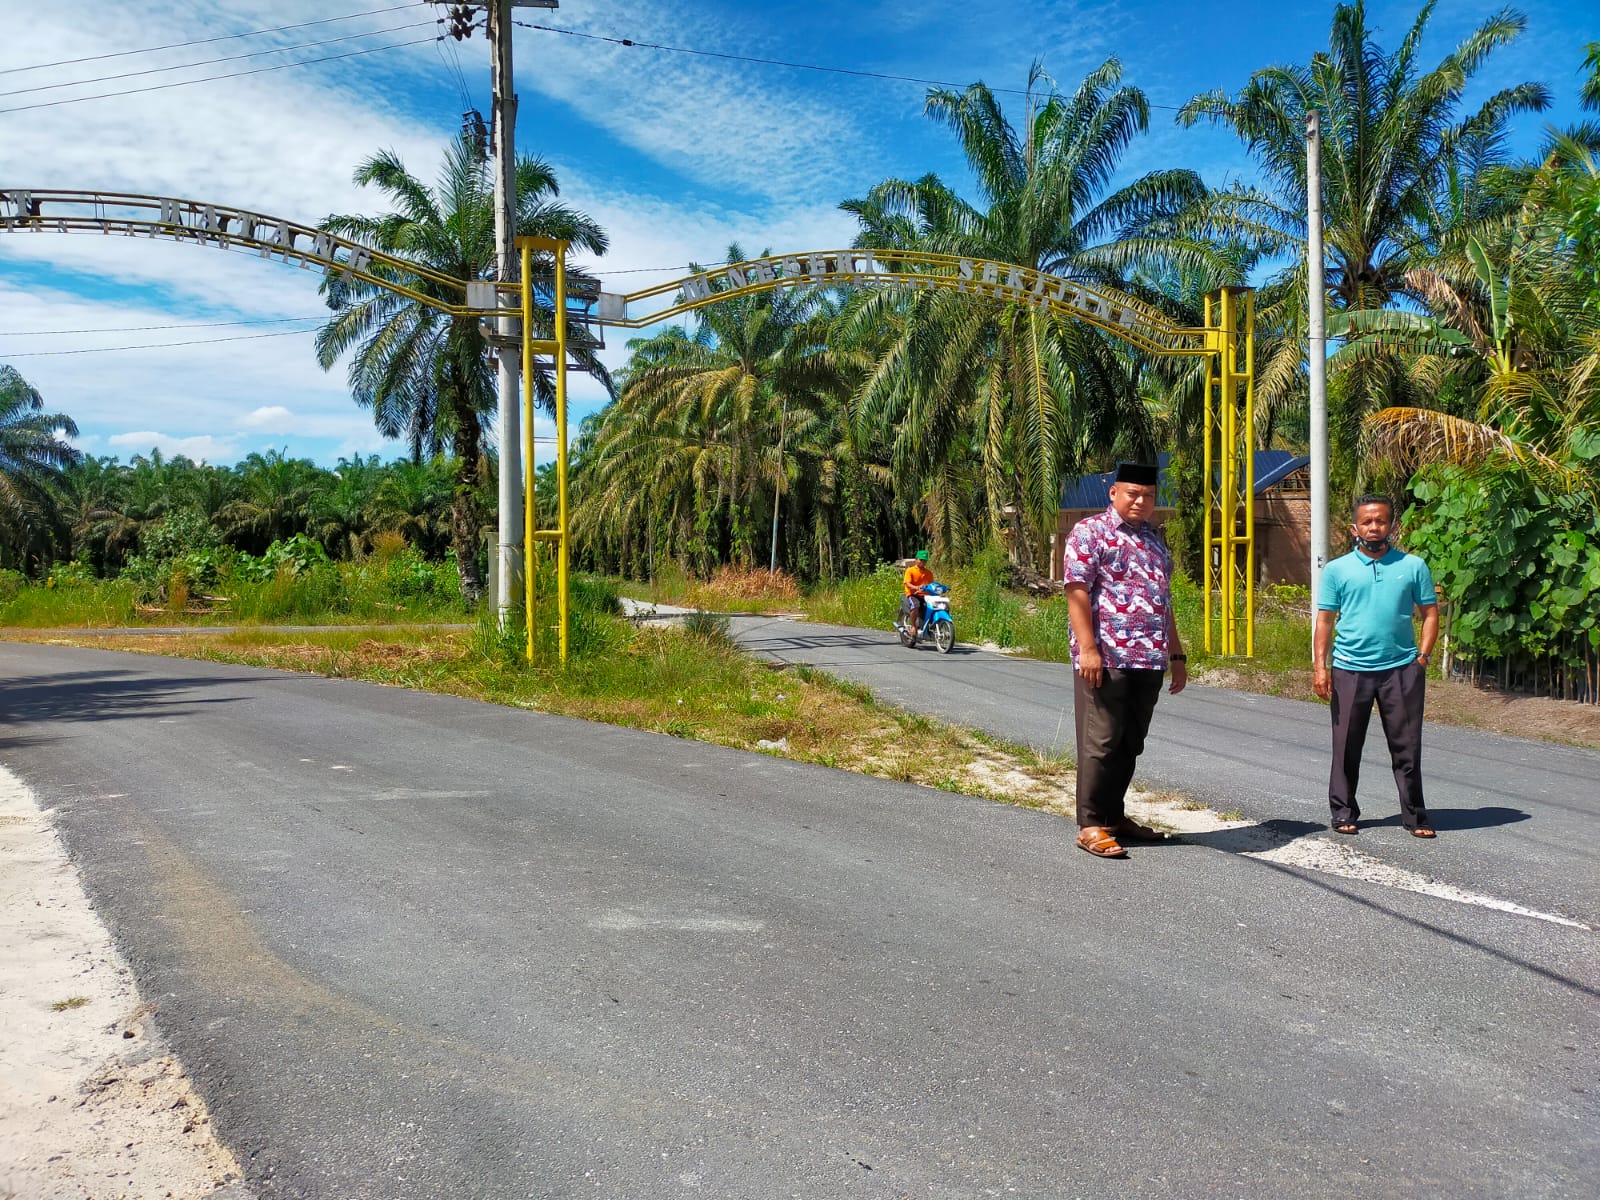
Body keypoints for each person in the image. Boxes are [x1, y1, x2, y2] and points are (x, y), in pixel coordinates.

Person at [1061, 462, 1187, 859]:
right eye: (1132, 493)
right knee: (1102, 741)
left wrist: (1177, 653)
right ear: (1114, 493)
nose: (1140, 500)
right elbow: (1077, 591)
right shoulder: (1090, 533)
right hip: (1107, 655)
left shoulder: (1154, 539)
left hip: (1149, 656)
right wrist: (1088, 648)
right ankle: (1091, 824)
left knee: (1130, 742)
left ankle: (1114, 816)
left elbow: (1162, 601)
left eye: (1148, 495)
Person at [1313, 494, 1440, 838]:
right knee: (1346, 746)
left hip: (1401, 669)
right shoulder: (1338, 569)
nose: (1374, 527)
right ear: (1355, 527)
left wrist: (1422, 658)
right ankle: (1343, 812)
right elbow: (1324, 621)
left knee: (1407, 745)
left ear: (1392, 526)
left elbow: (1430, 613)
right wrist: (1320, 667)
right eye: (1367, 521)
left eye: (1380, 521)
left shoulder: (1413, 566)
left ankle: (1415, 816)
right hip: (1349, 669)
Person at [900, 549, 934, 643]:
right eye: (921, 560)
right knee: (915, 605)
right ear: (916, 559)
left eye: (925, 560)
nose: (923, 562)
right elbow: (907, 583)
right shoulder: (910, 570)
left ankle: (929, 627)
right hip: (912, 594)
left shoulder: (928, 573)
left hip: (925, 596)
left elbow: (931, 585)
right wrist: (916, 587)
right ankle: (913, 626)